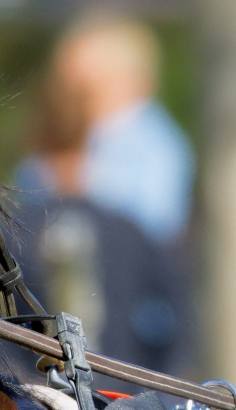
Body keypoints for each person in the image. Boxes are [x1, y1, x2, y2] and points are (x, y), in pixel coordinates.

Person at [12, 65, 190, 374]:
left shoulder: (12, 232)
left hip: (39, 396)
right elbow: (180, 323)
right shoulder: (129, 232)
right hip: (123, 395)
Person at [48, 14, 194, 245]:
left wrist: (83, 186)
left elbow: (158, 225)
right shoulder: (68, 132)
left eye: (86, 84)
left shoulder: (158, 146)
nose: (70, 95)